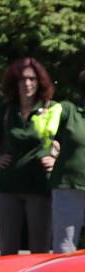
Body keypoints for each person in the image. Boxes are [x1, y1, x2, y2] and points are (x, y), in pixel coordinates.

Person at [0, 58, 59, 255]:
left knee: (39, 252)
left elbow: (69, 138)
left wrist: (56, 159)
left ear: (40, 82)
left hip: (39, 187)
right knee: (7, 251)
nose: (27, 84)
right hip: (7, 187)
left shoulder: (51, 109)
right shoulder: (6, 109)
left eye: (32, 79)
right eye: (22, 79)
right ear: (15, 83)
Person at [49, 68, 85, 253]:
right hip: (69, 188)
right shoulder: (69, 110)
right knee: (65, 248)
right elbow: (45, 128)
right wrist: (49, 150)